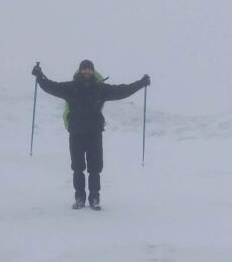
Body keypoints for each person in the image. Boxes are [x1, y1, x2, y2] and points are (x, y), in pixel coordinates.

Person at [31, 60, 150, 210]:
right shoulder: (70, 87)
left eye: (89, 69)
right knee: (77, 167)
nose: (87, 72)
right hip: (76, 133)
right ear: (79, 71)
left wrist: (141, 83)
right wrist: (39, 75)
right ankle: (79, 197)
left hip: (94, 133)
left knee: (95, 167)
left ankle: (94, 198)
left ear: (93, 72)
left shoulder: (100, 88)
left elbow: (122, 90)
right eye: (84, 69)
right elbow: (51, 86)